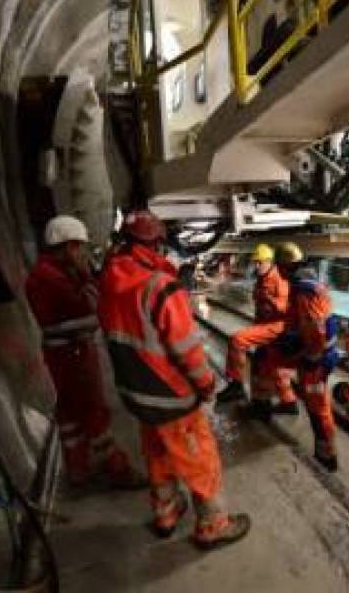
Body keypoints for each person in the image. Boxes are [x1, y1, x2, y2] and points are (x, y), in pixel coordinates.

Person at [97, 209, 251, 549]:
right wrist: (208, 386)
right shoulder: (161, 286)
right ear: (156, 244)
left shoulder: (109, 277)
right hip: (171, 395)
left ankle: (166, 513)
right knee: (199, 459)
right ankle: (213, 525)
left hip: (136, 394)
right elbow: (186, 349)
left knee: (157, 453)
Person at [25, 215, 146, 489]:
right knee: (94, 411)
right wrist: (88, 276)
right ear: (66, 246)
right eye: (78, 247)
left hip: (61, 354)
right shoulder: (51, 278)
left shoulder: (42, 273)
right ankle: (117, 469)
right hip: (74, 353)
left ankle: (78, 469)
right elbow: (91, 308)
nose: (80, 253)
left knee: (69, 413)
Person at [254, 242, 340, 471]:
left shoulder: (304, 290)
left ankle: (327, 457)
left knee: (317, 407)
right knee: (264, 357)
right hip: (311, 352)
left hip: (316, 359)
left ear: (285, 267)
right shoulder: (305, 284)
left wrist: (308, 361)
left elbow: (315, 332)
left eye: (280, 268)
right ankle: (272, 403)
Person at [216, 244, 299, 415]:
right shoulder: (262, 278)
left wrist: (268, 298)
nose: (256, 266)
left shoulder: (279, 279)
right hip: (264, 325)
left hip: (277, 326)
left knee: (238, 340)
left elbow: (283, 310)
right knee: (271, 366)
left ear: (269, 262)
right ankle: (288, 402)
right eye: (255, 262)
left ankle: (237, 384)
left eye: (259, 262)